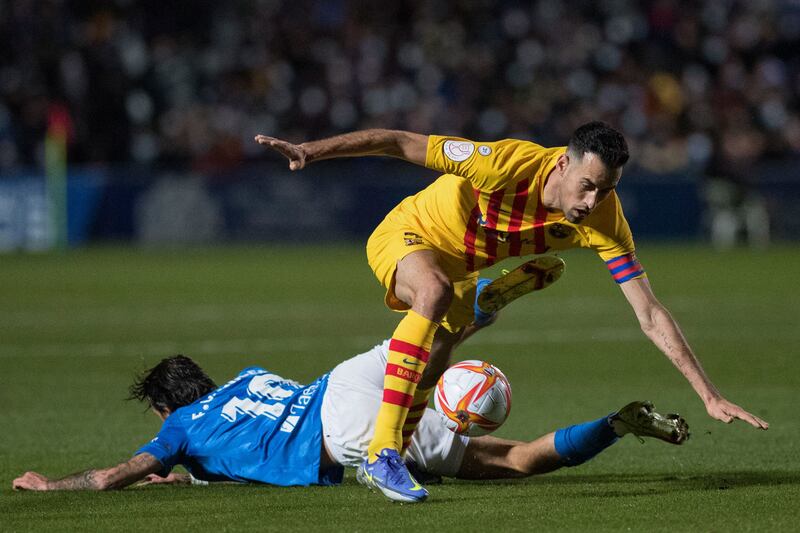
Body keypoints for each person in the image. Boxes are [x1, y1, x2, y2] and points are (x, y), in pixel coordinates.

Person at [253, 122, 769, 502]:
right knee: (430, 293)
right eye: (587, 185)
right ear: (563, 164)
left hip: (463, 269)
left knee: (434, 363)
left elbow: (650, 313)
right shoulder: (501, 163)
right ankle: (383, 452)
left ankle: (464, 329)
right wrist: (309, 150)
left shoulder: (605, 223)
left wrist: (708, 393)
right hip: (409, 236)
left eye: (606, 189)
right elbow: (399, 141)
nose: (592, 200)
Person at [12, 332, 690, 498]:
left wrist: (52, 486)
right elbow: (236, 449)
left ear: (165, 406)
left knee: (509, 463)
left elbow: (109, 478)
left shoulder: (180, 428)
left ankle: (385, 465)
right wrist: (188, 475)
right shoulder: (249, 376)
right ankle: (613, 422)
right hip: (342, 382)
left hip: (344, 433)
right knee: (425, 336)